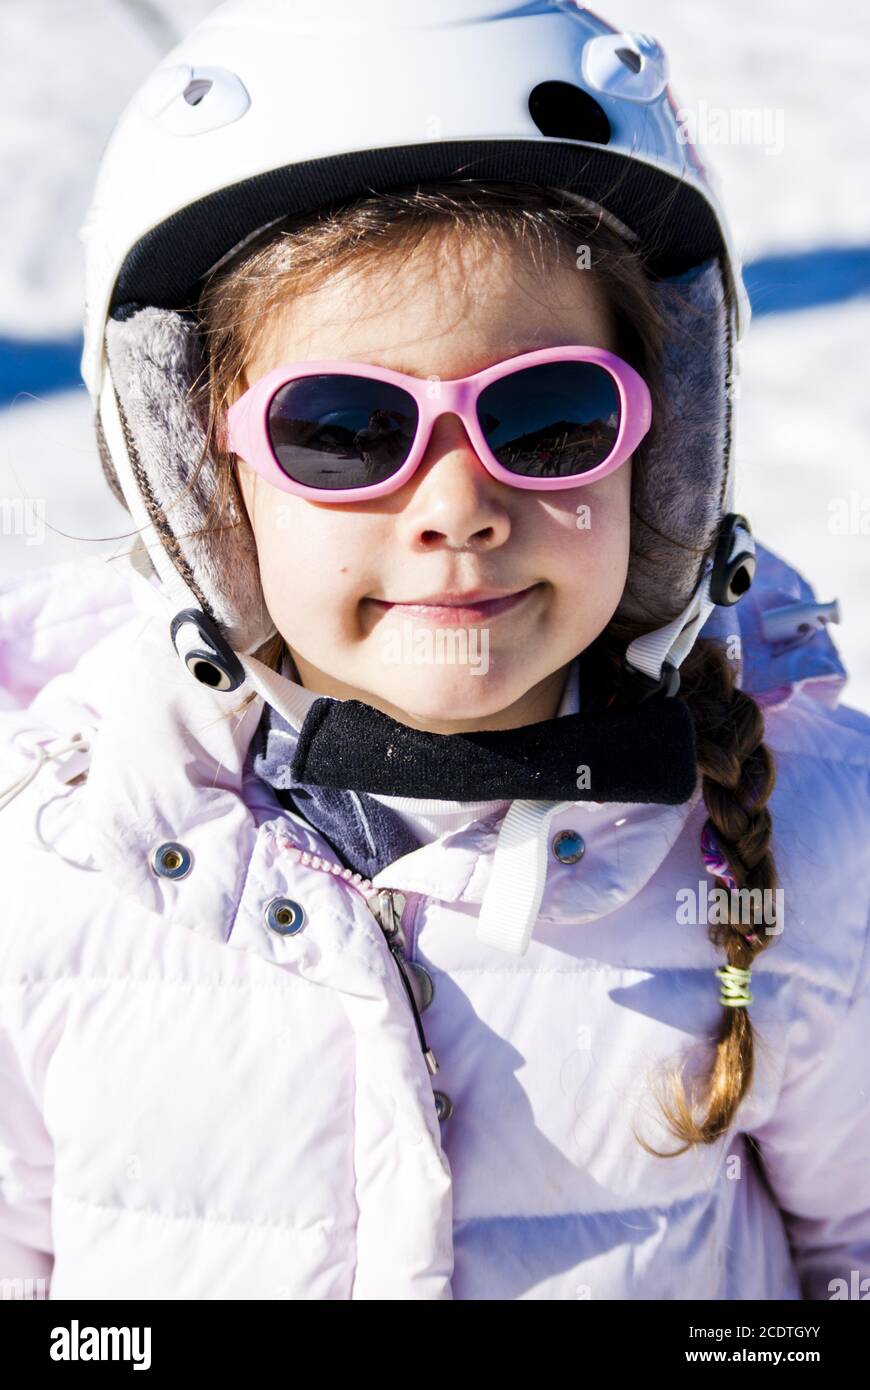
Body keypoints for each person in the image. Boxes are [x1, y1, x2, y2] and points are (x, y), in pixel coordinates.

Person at [1, 0, 868, 1302]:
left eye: (550, 417)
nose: (458, 506)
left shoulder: (812, 851)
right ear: (202, 483)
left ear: (668, 450)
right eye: (344, 429)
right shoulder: (62, 866)